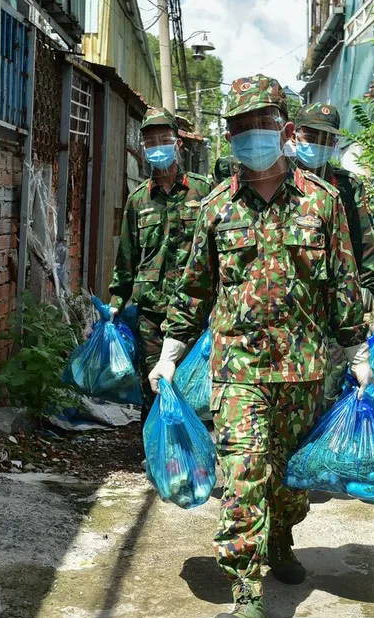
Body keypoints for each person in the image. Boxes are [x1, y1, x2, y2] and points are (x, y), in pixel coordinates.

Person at [147, 75, 373, 618]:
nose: (249, 137)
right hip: (238, 369)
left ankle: (282, 533)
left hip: (304, 370)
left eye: (259, 126)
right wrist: (171, 353)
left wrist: (359, 351)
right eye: (238, 129)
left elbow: (342, 284)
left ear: (285, 130)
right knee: (245, 470)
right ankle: (247, 595)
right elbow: (195, 288)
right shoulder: (216, 207)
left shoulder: (322, 204)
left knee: (288, 481)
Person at [107, 107, 213, 424]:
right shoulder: (138, 200)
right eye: (150, 141)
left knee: (192, 383)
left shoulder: (202, 192)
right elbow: (126, 255)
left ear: (177, 142)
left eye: (163, 138)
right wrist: (116, 300)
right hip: (151, 311)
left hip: (194, 309)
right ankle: (157, 452)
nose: (157, 146)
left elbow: (216, 253)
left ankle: (193, 452)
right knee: (153, 380)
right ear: (143, 147)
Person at [291, 103, 374, 403]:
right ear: (294, 136)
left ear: (334, 143)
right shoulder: (280, 183)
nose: (317, 144)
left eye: (325, 139)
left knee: (328, 390)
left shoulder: (347, 187)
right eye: (311, 136)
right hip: (291, 302)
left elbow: (364, 242)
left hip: (337, 304)